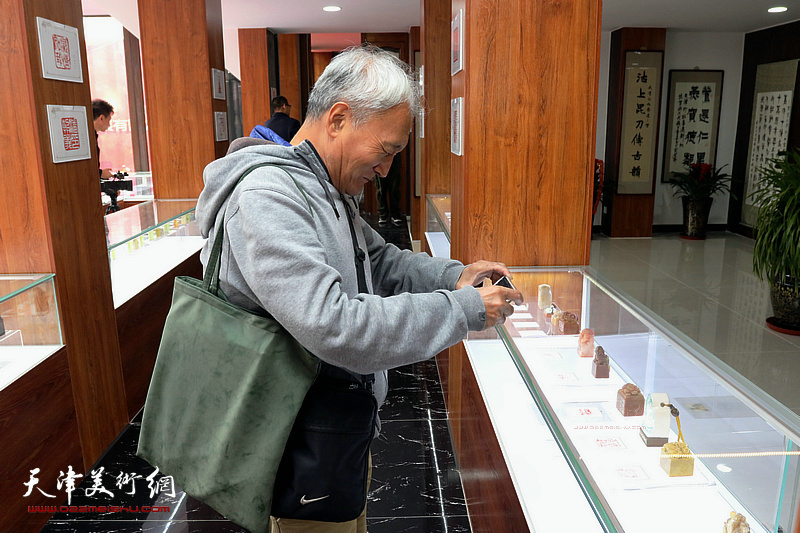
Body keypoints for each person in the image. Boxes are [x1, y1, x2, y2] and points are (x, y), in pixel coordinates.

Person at [195, 44, 522, 533]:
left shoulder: (323, 188)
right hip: (292, 445)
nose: (386, 170)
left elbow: (378, 258)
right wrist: (464, 308)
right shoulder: (269, 198)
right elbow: (339, 328)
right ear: (339, 118)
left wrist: (452, 275)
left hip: (331, 431)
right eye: (386, 150)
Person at [375, 152, 404, 226]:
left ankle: (395, 213)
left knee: (394, 188)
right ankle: (383, 213)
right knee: (380, 189)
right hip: (379, 155)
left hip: (394, 154)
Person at [92, 99, 114, 179]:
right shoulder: (89, 138)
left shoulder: (91, 135)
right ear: (101, 118)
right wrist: (101, 174)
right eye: (108, 120)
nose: (109, 124)